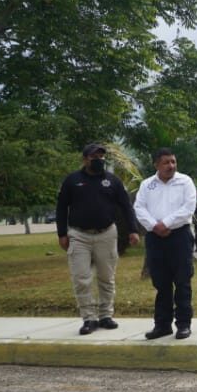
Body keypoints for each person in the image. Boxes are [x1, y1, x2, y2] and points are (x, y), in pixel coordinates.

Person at [55, 143, 140, 335]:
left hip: (106, 234)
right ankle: (89, 319)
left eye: (102, 157)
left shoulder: (113, 181)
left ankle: (105, 316)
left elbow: (126, 206)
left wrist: (133, 230)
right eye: (94, 157)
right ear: (85, 159)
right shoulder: (72, 180)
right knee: (81, 278)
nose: (99, 160)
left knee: (106, 278)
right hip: (78, 235)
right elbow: (61, 208)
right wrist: (62, 233)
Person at [134, 149, 197, 340]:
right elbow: (139, 207)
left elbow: (188, 208)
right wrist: (155, 226)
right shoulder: (147, 185)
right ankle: (162, 325)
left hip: (179, 236)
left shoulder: (185, 181)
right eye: (166, 163)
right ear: (156, 165)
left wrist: (166, 223)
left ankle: (183, 325)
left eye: (173, 162)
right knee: (161, 283)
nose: (171, 166)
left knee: (182, 281)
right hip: (155, 238)